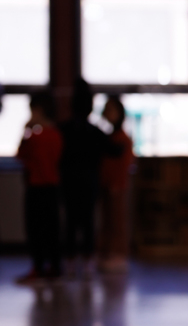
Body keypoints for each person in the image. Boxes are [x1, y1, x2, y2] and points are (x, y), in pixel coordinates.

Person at [60, 78, 121, 278]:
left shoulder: (64, 130)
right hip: (88, 181)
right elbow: (115, 150)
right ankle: (86, 262)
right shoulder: (95, 132)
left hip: (69, 181)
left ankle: (71, 262)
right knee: (86, 222)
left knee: (71, 222)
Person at [16, 91, 63, 283]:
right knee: (52, 229)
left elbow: (21, 155)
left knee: (36, 229)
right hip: (51, 188)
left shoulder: (37, 137)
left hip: (37, 188)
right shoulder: (57, 135)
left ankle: (39, 267)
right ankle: (53, 267)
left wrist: (26, 131)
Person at [98, 96, 134, 273]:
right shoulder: (108, 137)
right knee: (107, 220)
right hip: (106, 185)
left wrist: (115, 185)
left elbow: (123, 166)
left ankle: (118, 254)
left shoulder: (122, 139)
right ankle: (107, 252)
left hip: (117, 186)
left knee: (117, 220)